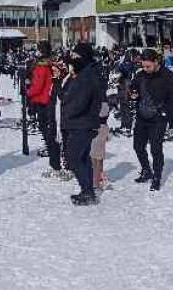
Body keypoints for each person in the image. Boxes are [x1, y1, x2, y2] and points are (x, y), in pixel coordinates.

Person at [130, 48, 173, 191]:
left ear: (156, 62)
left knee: (156, 149)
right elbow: (134, 88)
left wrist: (169, 117)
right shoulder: (140, 75)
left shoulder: (167, 76)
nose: (145, 69)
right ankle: (146, 170)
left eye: (148, 66)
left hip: (158, 118)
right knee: (138, 146)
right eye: (143, 66)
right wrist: (133, 94)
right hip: (142, 116)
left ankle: (157, 176)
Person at [60, 43, 102, 206]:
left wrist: (66, 111)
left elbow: (80, 101)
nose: (73, 59)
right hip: (82, 122)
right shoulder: (83, 73)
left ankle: (88, 191)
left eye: (76, 56)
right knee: (82, 158)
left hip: (82, 123)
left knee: (74, 158)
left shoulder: (87, 76)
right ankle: (87, 189)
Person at [27, 41, 61, 175]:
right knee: (49, 131)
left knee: (48, 132)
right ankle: (53, 157)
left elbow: (37, 86)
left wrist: (28, 91)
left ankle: (54, 162)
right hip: (46, 100)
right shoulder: (48, 64)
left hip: (43, 101)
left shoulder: (42, 66)